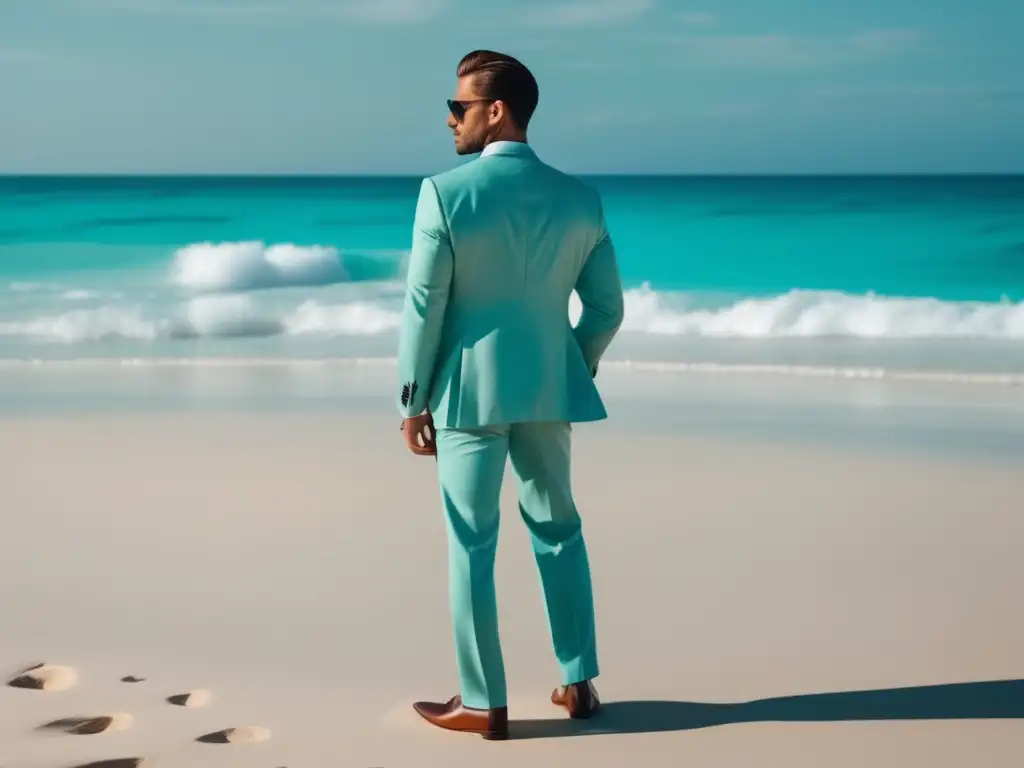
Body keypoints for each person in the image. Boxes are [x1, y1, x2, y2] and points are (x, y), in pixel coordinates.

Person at [395, 49, 625, 741]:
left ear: (495, 111)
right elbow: (607, 310)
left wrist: (412, 400)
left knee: (471, 542)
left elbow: (424, 305)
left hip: (468, 396)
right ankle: (578, 681)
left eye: (459, 106)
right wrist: (568, 368)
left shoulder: (445, 193)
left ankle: (481, 701)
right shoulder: (581, 198)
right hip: (550, 393)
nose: (449, 119)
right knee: (559, 529)